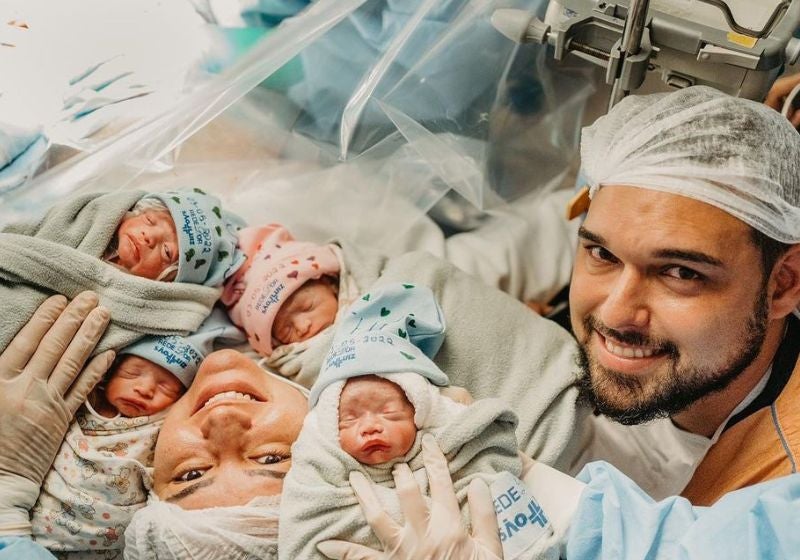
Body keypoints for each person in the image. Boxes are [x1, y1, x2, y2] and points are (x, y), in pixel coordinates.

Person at [280, 283, 553, 560]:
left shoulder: (451, 446)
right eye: (349, 419)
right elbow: (308, 526)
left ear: (420, 410)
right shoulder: (323, 469)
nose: (370, 425)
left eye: (389, 413)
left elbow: (489, 472)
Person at [29, 309, 243, 556]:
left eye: (167, 387)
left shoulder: (165, 424)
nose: (144, 389)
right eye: (132, 374)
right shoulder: (82, 402)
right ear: (107, 375)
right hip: (41, 519)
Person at [221, 223, 344, 354]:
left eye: (309, 306)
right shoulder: (289, 357)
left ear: (329, 283)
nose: (303, 327)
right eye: (286, 332)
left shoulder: (358, 286)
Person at [103, 188, 246, 284]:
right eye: (150, 220)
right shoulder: (96, 220)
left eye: (167, 251)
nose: (149, 237)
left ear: (170, 279)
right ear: (137, 211)